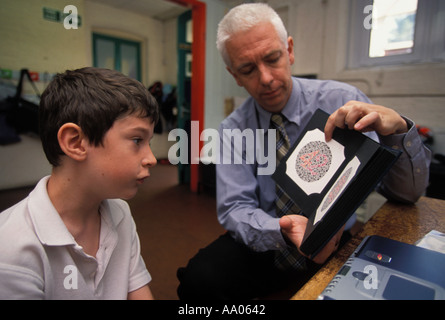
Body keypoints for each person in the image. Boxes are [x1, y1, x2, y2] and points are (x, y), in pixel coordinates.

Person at [177, 3, 431, 299]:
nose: (267, 78)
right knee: (198, 280)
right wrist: (282, 230)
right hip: (269, 239)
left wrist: (398, 130)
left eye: (273, 59)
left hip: (336, 237)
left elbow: (408, 196)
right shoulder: (233, 130)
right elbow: (236, 209)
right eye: (248, 69)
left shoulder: (342, 100)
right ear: (234, 75)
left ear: (290, 50)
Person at [0, 67, 158, 299]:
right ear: (75, 142)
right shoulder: (11, 249)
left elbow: (137, 291)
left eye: (149, 142)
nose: (152, 158)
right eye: (137, 140)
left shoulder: (120, 213)